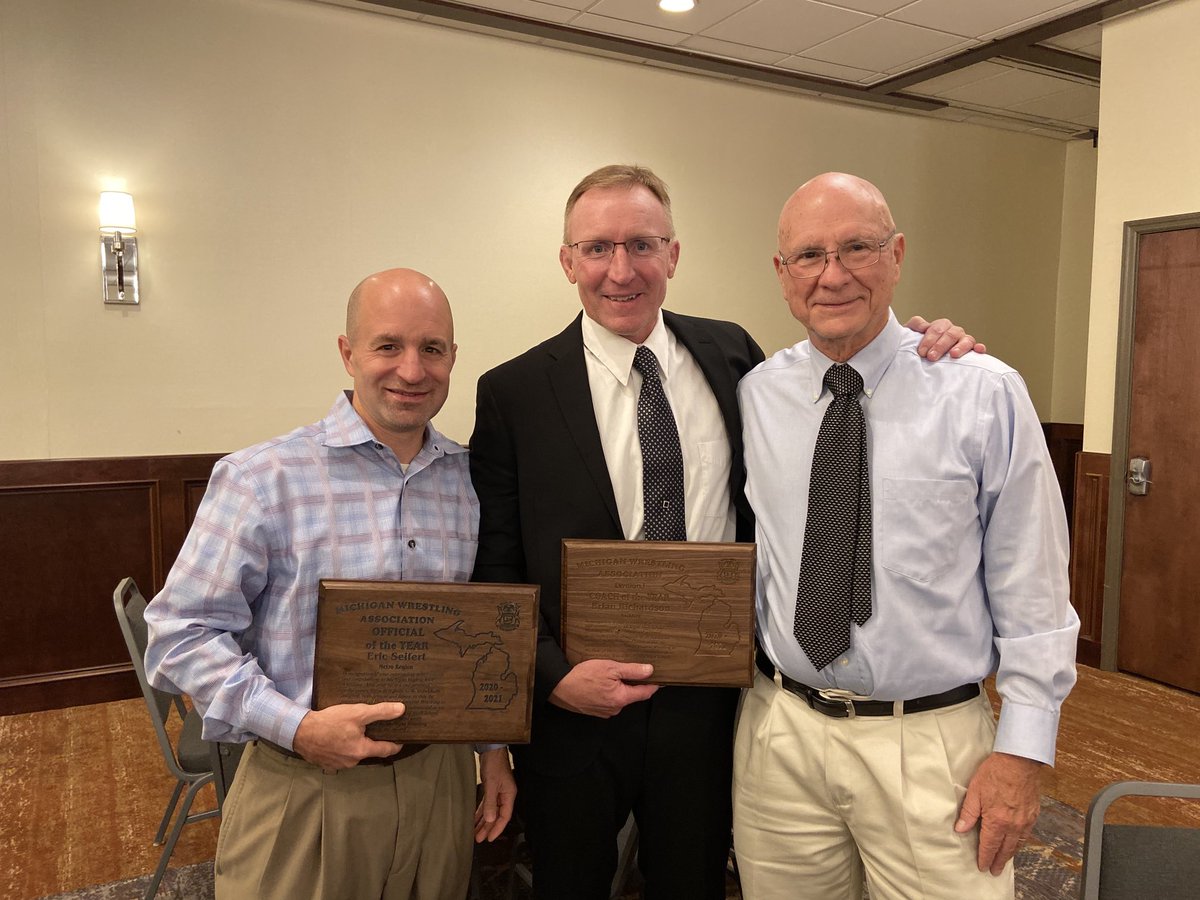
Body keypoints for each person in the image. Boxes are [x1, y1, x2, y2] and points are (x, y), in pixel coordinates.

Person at [468, 164, 980, 899]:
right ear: (567, 261)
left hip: (710, 709)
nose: (621, 270)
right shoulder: (513, 391)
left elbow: (839, 380)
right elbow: (499, 563)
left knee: (695, 881)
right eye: (597, 248)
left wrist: (932, 340)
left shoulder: (734, 357)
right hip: (575, 712)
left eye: (643, 245)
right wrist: (553, 678)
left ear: (673, 255)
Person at [734, 173, 1080, 900]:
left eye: (856, 247)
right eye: (808, 256)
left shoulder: (982, 392)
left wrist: (1023, 754)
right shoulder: (757, 394)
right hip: (780, 733)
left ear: (896, 256)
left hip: (931, 745)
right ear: (781, 274)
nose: (832, 275)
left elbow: (1034, 587)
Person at [144, 268, 516, 900]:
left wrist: (490, 747)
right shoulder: (263, 478)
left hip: (437, 785)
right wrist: (295, 727)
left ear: (454, 357)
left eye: (432, 349)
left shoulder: (470, 481)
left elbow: (476, 630)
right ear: (348, 353)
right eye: (387, 345)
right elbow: (180, 635)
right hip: (303, 791)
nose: (411, 369)